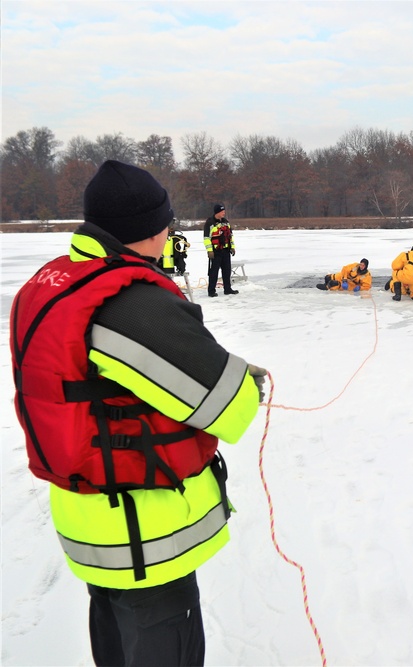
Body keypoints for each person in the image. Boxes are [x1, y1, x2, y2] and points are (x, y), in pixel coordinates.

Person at [9, 160, 268, 666]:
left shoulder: (55, 283)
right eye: (164, 221)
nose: (169, 230)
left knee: (117, 645)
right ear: (149, 231)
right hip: (143, 531)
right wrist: (250, 383)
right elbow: (226, 403)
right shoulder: (128, 303)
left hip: (91, 520)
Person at [203, 204, 238, 297]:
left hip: (226, 250)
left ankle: (227, 289)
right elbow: (206, 238)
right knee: (214, 272)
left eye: (224, 211)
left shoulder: (226, 222)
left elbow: (230, 236)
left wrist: (232, 247)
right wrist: (210, 251)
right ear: (217, 212)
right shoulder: (210, 223)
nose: (224, 213)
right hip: (215, 252)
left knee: (227, 271)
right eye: (222, 211)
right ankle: (211, 291)